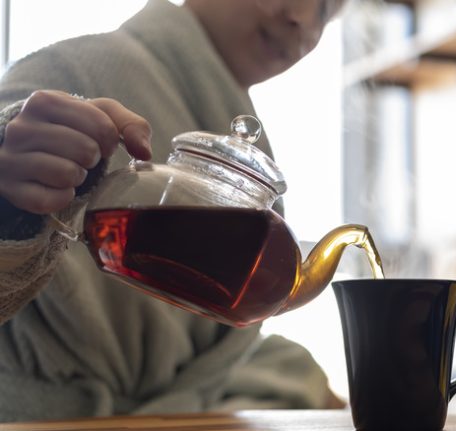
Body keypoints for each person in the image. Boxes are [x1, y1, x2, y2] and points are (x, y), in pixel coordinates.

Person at [0, 0, 346, 422]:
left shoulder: (243, 145)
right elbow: (16, 136)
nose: (302, 20)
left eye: (327, 12)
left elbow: (206, 363)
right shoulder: (74, 67)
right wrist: (10, 192)